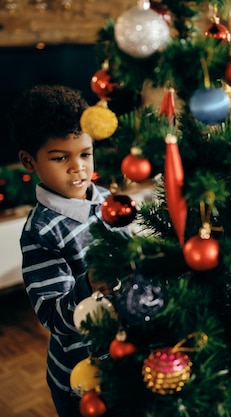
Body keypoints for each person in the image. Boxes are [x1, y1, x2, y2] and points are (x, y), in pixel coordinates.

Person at [8, 85, 125, 417]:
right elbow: (53, 317)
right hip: (81, 378)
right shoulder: (40, 233)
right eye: (61, 158)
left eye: (85, 154)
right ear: (29, 161)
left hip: (125, 358)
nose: (78, 168)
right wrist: (89, 284)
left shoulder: (104, 197)